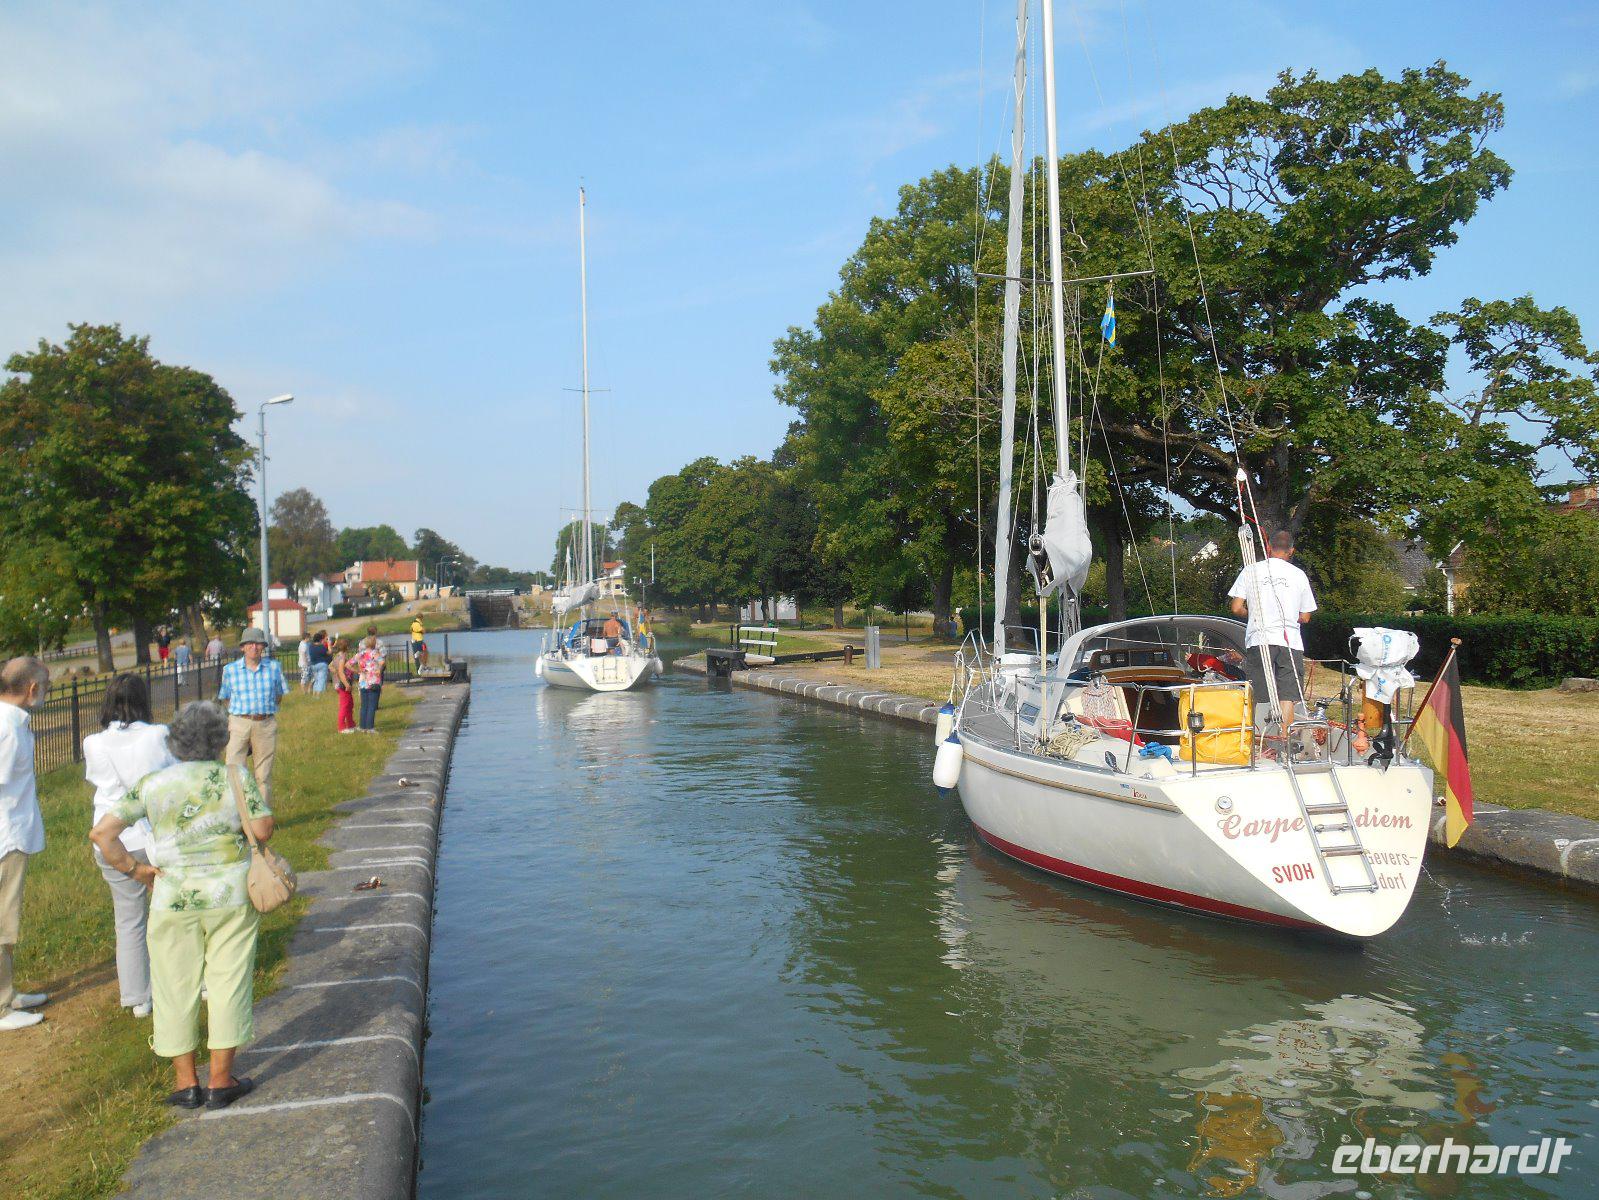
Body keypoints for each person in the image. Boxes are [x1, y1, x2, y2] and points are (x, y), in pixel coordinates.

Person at [90, 701, 273, 1111]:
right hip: (230, 894)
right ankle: (222, 1080)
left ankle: (186, 1082)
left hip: (172, 896)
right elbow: (261, 828)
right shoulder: (235, 777)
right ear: (221, 739)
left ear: (175, 740)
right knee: (228, 981)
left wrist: (135, 869)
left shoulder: (154, 783)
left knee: (174, 984)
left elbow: (102, 833)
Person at [82, 674, 175, 1019]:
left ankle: (138, 996)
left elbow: (102, 781)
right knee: (177, 911)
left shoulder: (93, 742)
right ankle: (195, 980)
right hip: (154, 835)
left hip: (112, 838)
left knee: (128, 920)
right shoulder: (157, 734)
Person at [0, 657, 50, 1032]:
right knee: (2, 924)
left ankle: (8, 991)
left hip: (13, 832)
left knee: (8, 921)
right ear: (32, 687)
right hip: (5, 837)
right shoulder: (8, 730)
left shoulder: (14, 723)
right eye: (44, 685)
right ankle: (2, 1007)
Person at [1228, 529, 1317, 735]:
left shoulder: (1251, 570)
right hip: (1289, 641)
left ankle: (1253, 737)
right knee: (1288, 692)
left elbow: (1236, 607)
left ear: (1269, 548)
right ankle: (1284, 737)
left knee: (1257, 692)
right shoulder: (1298, 575)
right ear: (1291, 550)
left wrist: (1252, 613)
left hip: (1260, 638)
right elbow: (1305, 616)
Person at [218, 627, 288, 804]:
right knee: (234, 769)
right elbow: (225, 697)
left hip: (264, 723)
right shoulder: (230, 670)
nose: (254, 647)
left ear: (263, 647)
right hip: (238, 722)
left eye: (258, 644)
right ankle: (239, 815)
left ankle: (261, 816)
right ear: (242, 647)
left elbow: (278, 695)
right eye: (250, 644)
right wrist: (240, 715)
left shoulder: (273, 668)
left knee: (263, 774)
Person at [356, 635, 385, 733]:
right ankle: (370, 727)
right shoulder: (374, 653)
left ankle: (362, 726)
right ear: (374, 644)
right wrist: (379, 671)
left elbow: (348, 664)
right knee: (372, 705)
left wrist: (358, 671)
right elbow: (382, 662)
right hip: (373, 681)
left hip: (363, 682)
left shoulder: (360, 654)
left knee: (364, 705)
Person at [330, 637, 356, 733]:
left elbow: (330, 666)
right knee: (345, 705)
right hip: (343, 684)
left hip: (339, 683)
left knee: (350, 704)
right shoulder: (342, 658)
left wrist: (335, 671)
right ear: (347, 647)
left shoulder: (338, 656)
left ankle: (350, 724)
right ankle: (341, 727)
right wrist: (346, 684)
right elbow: (341, 672)